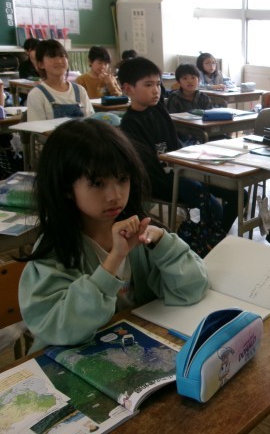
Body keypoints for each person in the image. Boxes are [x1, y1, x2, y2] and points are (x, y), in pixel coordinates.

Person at [18, 119, 209, 352]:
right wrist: (114, 260)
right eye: (98, 183)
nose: (115, 196)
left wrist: (162, 242)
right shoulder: (56, 250)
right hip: (69, 361)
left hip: (133, 350)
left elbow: (192, 289)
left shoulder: (141, 236)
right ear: (66, 188)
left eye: (122, 179)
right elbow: (60, 328)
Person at [118, 57, 243, 233]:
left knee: (239, 194)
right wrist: (186, 174)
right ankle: (212, 240)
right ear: (128, 89)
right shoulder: (130, 124)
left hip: (182, 170)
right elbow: (149, 169)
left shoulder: (158, 109)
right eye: (148, 85)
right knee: (214, 207)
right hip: (163, 181)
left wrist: (197, 161)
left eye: (158, 84)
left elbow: (175, 145)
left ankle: (216, 238)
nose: (156, 90)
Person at [26, 39, 94, 121]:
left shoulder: (80, 90)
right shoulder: (36, 95)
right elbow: (36, 128)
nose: (59, 61)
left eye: (62, 56)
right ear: (41, 64)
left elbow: (91, 122)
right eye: (52, 56)